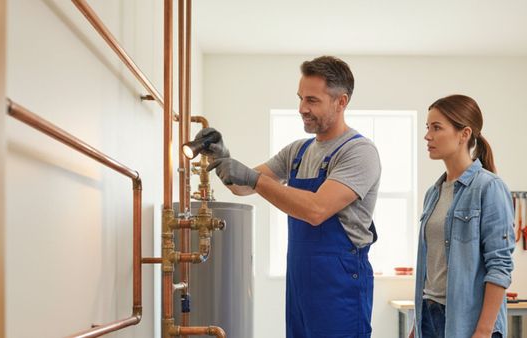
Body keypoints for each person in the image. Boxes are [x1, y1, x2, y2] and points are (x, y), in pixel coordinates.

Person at [195, 56, 381, 338]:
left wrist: (254, 179)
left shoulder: (358, 152)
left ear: (341, 102)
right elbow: (242, 187)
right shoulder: (298, 151)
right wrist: (223, 157)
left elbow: (316, 210)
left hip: (340, 287)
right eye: (300, 98)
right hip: (301, 285)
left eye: (312, 100)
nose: (302, 109)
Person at [410, 95, 515, 338]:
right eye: (428, 128)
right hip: (429, 317)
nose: (428, 136)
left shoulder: (489, 187)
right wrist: (417, 326)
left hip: (468, 322)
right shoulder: (433, 193)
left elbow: (500, 265)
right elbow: (431, 266)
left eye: (437, 128)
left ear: (464, 133)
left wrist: (483, 331)